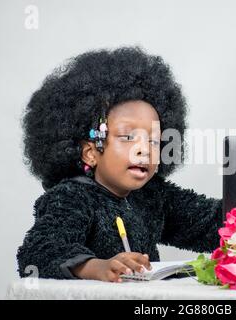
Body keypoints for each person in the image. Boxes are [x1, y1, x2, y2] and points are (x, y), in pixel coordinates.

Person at [17, 47, 223, 282]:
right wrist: (96, 267)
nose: (144, 149)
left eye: (154, 140)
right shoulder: (71, 198)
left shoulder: (152, 195)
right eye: (127, 137)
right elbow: (38, 252)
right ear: (90, 152)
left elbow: (210, 222)